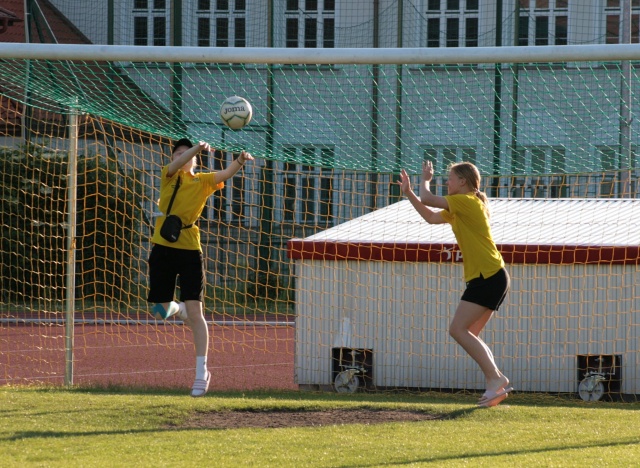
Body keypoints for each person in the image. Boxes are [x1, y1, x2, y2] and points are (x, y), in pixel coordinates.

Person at [398, 161, 512, 407]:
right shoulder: (461, 205)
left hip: (488, 276)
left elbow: (428, 198)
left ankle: (496, 379)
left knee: (458, 330)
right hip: (492, 275)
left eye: (449, 178)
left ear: (463, 182)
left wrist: (425, 180)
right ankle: (495, 382)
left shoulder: (467, 201)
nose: (447, 182)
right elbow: (430, 217)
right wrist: (408, 193)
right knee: (468, 333)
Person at [147, 138, 255, 397]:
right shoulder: (169, 175)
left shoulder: (203, 181)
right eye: (178, 153)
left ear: (195, 160)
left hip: (190, 251)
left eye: (186, 154)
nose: (181, 157)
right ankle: (180, 308)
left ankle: (200, 373)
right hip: (163, 247)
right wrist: (196, 147)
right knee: (160, 311)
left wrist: (240, 160)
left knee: (197, 314)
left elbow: (226, 174)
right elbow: (179, 163)